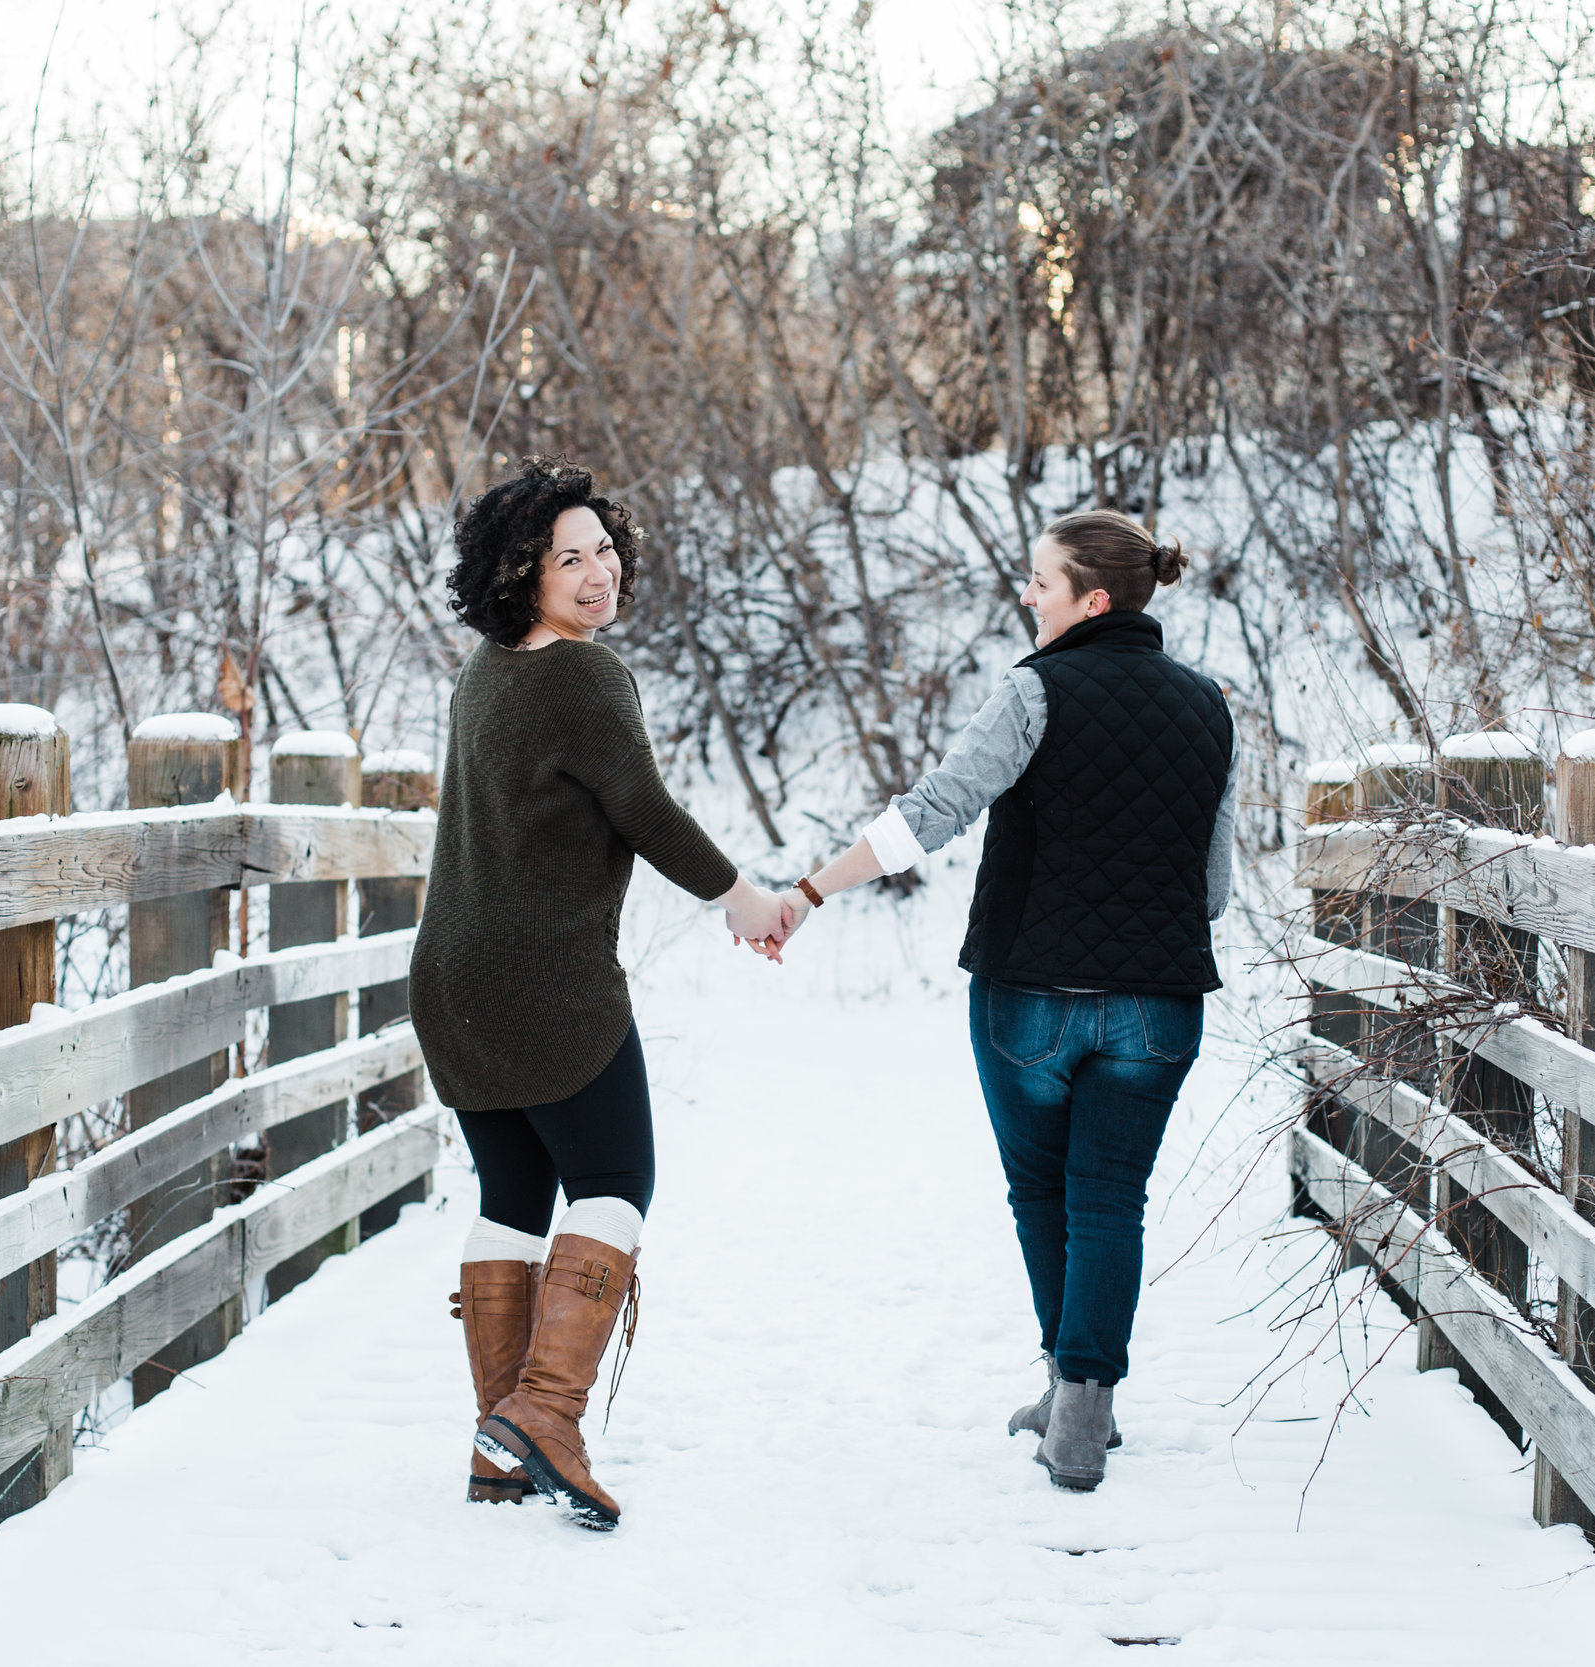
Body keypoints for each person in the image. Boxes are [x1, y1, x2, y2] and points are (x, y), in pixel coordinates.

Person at [772, 508, 1236, 1492]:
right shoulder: (1207, 707)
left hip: (1031, 994)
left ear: (1091, 599)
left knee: (1043, 1191)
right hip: (1158, 1006)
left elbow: (934, 811)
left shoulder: (1036, 692)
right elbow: (1213, 890)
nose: (1026, 595)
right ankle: (1082, 1403)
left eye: (1041, 581)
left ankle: (1068, 1389)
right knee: (1111, 1195)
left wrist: (810, 891)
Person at [410, 456, 793, 1530]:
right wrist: (742, 895)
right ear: (517, 572)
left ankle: (499, 1441)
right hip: (545, 982)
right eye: (566, 558)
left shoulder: (486, 670)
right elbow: (646, 809)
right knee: (618, 1176)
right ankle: (547, 1413)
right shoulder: (585, 676)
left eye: (604, 552)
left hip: (451, 978)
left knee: (511, 1198)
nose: (595, 575)